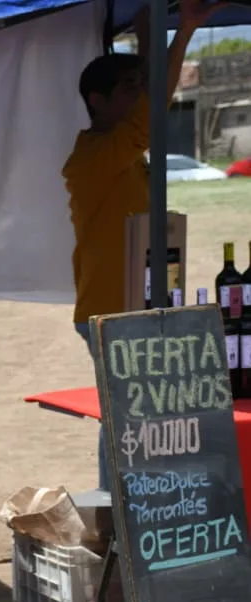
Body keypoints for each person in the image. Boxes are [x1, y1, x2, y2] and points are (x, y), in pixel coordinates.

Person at [62, 0, 221, 490]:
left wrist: (157, 37)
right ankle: (120, 514)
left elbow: (147, 110)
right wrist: (184, 31)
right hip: (113, 312)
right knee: (125, 424)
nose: (140, 97)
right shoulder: (94, 156)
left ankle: (139, 508)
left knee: (146, 421)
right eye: (129, 89)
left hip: (142, 305)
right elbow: (151, 115)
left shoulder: (125, 157)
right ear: (97, 99)